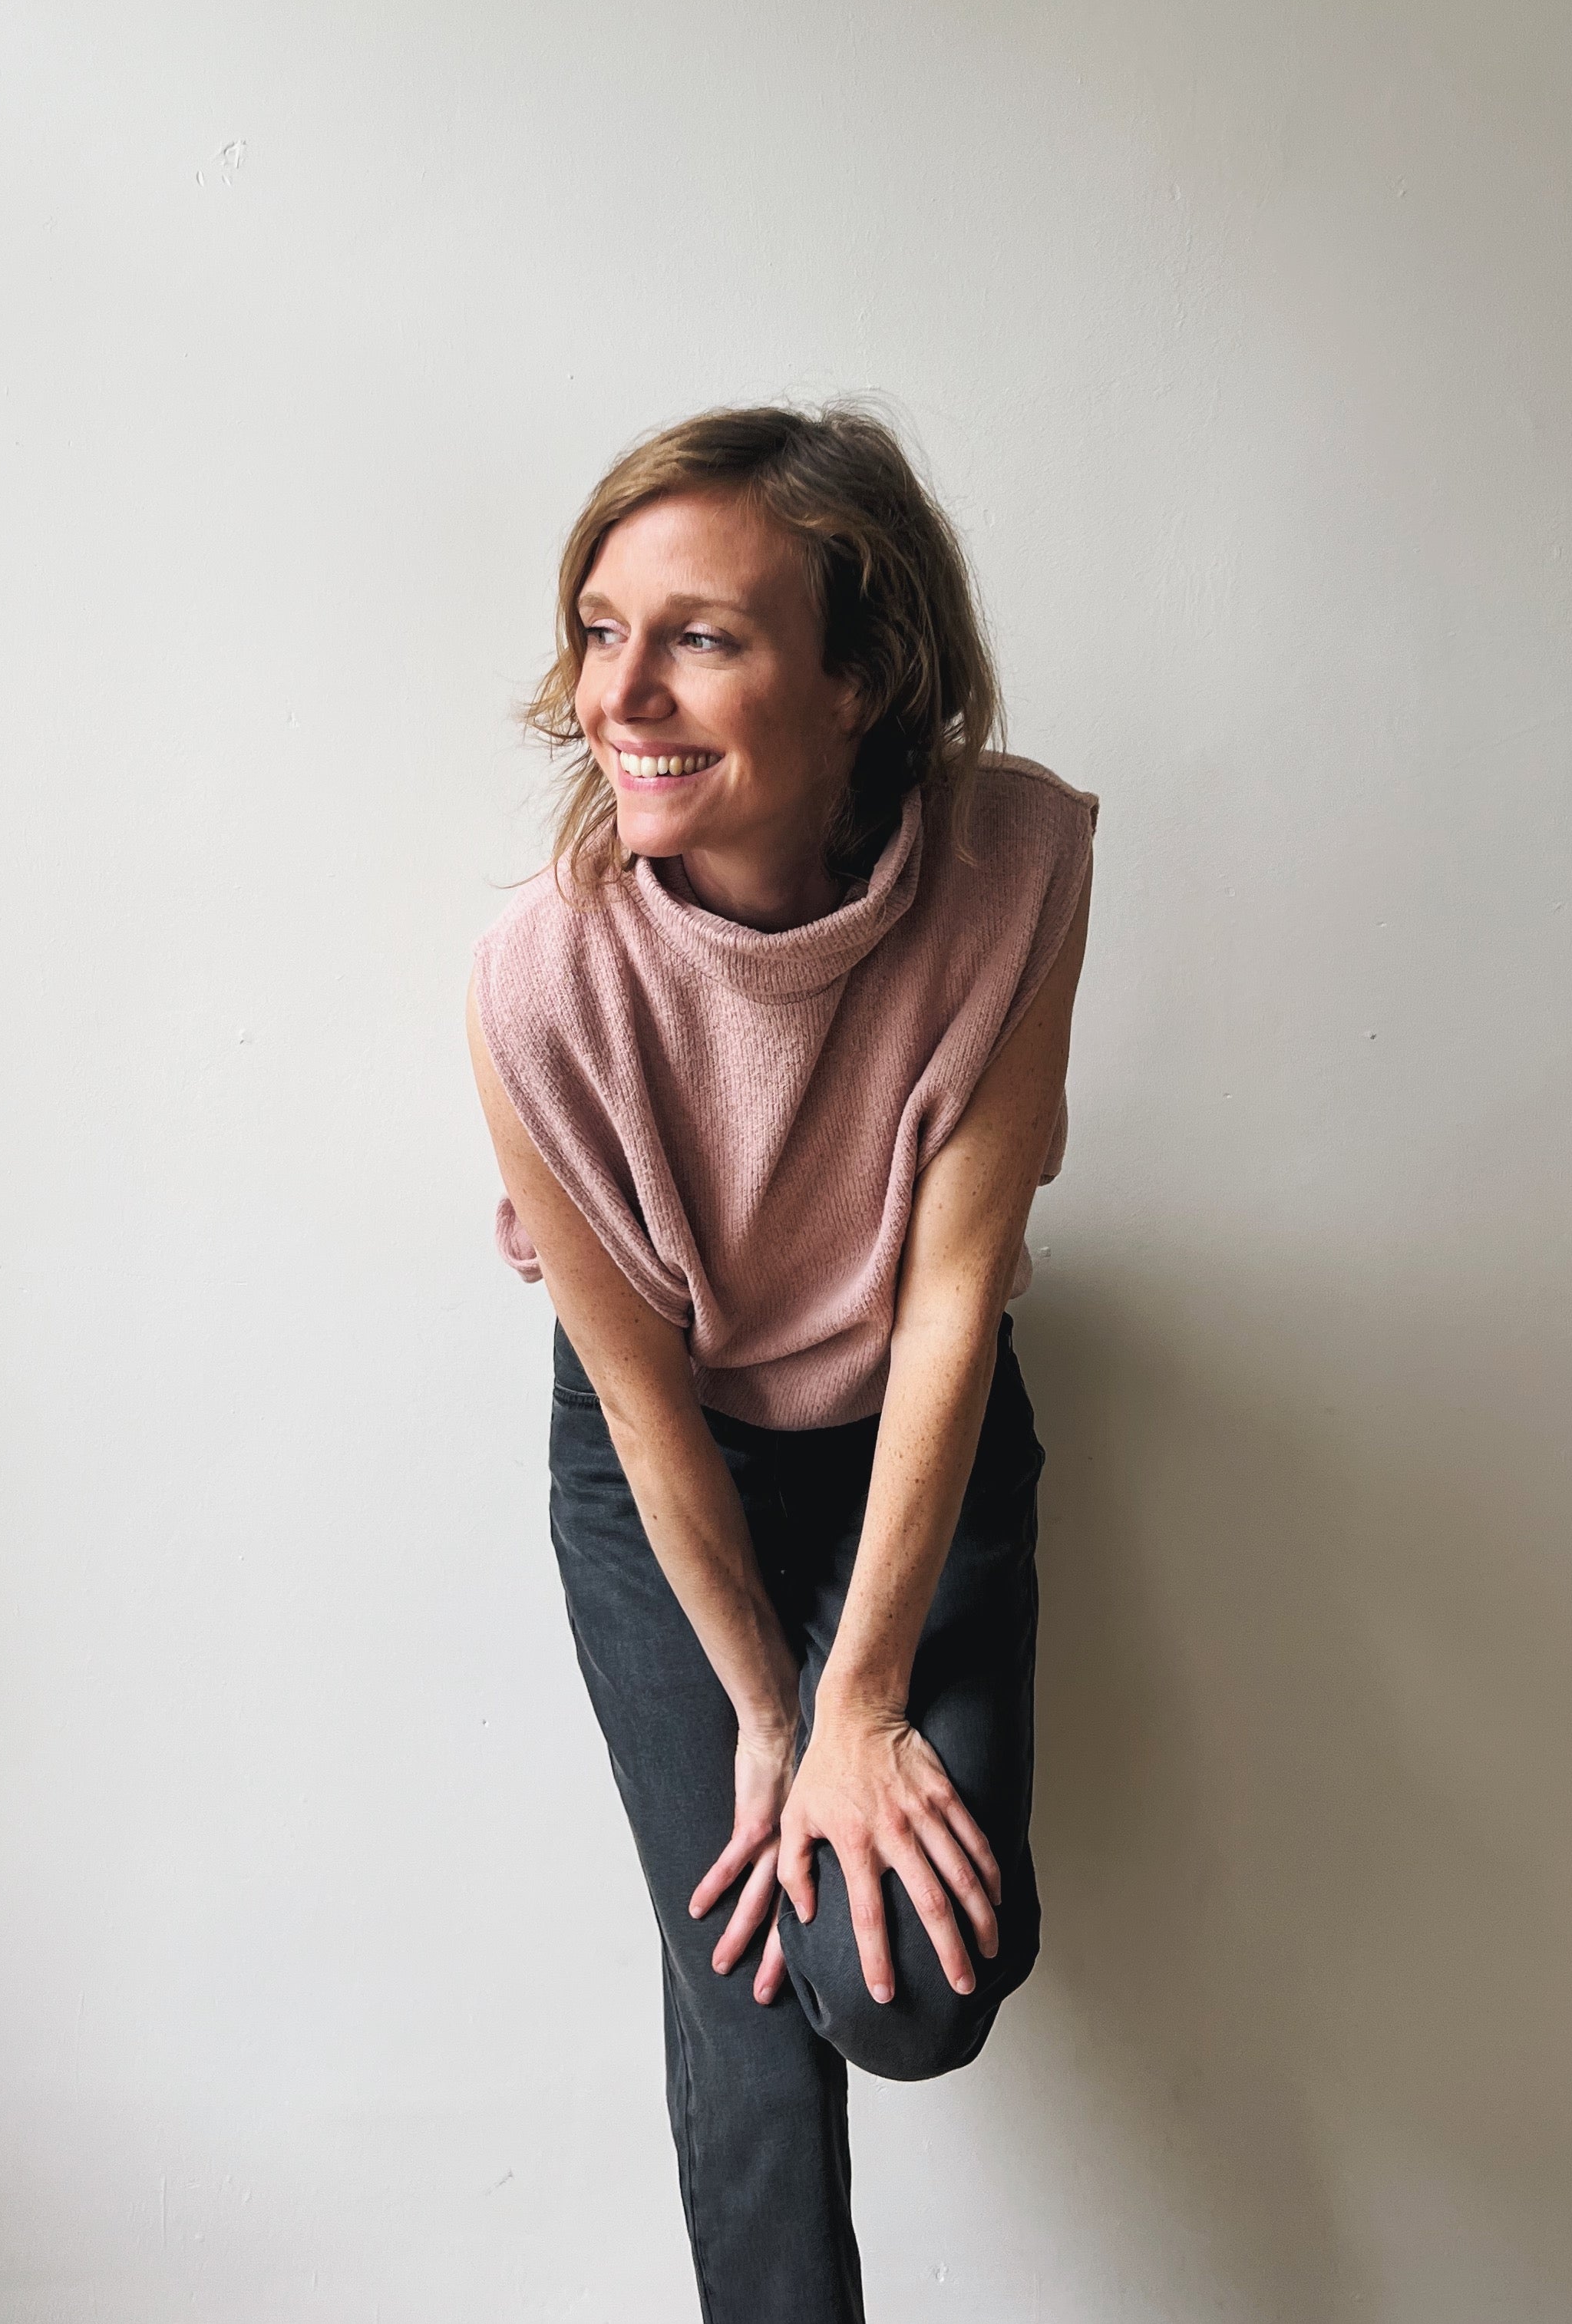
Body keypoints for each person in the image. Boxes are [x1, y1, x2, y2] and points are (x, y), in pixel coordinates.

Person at [467, 403, 1095, 2324]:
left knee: (898, 1990)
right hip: (668, 1463)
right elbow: (645, 1404)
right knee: (740, 1958)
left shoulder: (1014, 860)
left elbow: (955, 1288)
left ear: (861, 673)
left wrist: (868, 1690)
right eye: (599, 628)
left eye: (704, 635)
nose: (620, 695)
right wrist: (767, 1707)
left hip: (923, 1422)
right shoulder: (535, 982)